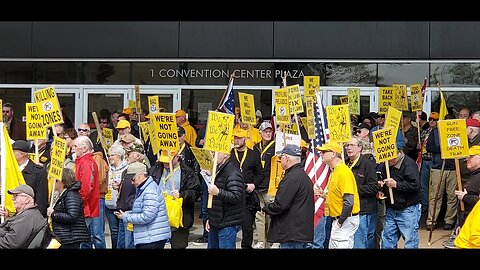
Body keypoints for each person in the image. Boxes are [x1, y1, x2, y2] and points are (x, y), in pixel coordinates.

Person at [263, 144, 314, 249]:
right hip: (299, 231)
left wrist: (266, 208)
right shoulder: (302, 175)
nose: (280, 160)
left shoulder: (292, 178)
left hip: (292, 233)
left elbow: (280, 204)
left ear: (286, 158)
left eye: (281, 157)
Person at [115, 162, 171, 249]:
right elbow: (142, 210)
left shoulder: (149, 191)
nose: (132, 183)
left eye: (133, 179)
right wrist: (128, 213)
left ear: (140, 175)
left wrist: (126, 217)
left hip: (152, 238)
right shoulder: (143, 188)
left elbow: (147, 216)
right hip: (149, 236)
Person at [151, 150, 201, 249]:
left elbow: (196, 192)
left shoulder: (187, 173)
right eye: (163, 160)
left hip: (179, 218)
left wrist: (182, 195)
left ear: (177, 157)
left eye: (168, 160)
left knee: (179, 246)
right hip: (158, 217)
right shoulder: (154, 170)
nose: (165, 163)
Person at [315, 141, 360, 249]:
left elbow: (349, 202)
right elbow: (340, 196)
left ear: (333, 153)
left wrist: (340, 222)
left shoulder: (343, 172)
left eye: (324, 151)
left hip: (345, 219)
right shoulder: (336, 171)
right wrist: (325, 196)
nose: (321, 154)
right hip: (341, 219)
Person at [378, 149, 421, 248]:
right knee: (387, 240)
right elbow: (385, 180)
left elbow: (415, 185)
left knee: (410, 240)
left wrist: (396, 184)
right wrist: (382, 187)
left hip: (408, 209)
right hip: (391, 208)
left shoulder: (409, 164)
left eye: (388, 160)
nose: (386, 162)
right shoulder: (386, 164)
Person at [206, 151, 245, 249]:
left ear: (226, 155)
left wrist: (218, 192)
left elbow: (236, 196)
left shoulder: (233, 172)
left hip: (227, 223)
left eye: (216, 153)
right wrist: (210, 218)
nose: (213, 155)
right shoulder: (218, 169)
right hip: (216, 221)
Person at [345, 137, 378, 248]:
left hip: (364, 210)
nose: (349, 148)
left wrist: (354, 189)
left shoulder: (367, 164)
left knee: (361, 241)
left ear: (360, 148)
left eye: (352, 145)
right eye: (347, 145)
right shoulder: (345, 163)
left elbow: (373, 188)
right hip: (348, 209)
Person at [47, 169, 91, 249]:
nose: (53, 183)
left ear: (62, 182)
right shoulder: (64, 194)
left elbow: (72, 216)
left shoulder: (71, 195)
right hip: (65, 236)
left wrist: (53, 214)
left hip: (70, 237)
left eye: (55, 180)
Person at [72, 136, 102, 248]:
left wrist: (76, 204)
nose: (73, 149)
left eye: (75, 146)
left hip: (84, 208)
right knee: (84, 239)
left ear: (84, 148)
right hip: (84, 207)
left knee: (81, 241)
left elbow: (85, 189)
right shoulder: (84, 162)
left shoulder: (86, 163)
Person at [12, 140, 49, 218]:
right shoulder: (8, 170)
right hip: (10, 215)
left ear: (21, 154)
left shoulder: (38, 172)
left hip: (29, 217)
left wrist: (36, 218)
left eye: (13, 152)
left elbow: (41, 199)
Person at [253, 122, 275, 248]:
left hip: (270, 187)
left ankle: (271, 241)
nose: (268, 134)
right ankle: (261, 241)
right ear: (260, 133)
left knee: (271, 215)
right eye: (265, 131)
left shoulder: (276, 147)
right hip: (257, 187)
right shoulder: (256, 147)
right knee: (259, 215)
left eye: (269, 131)